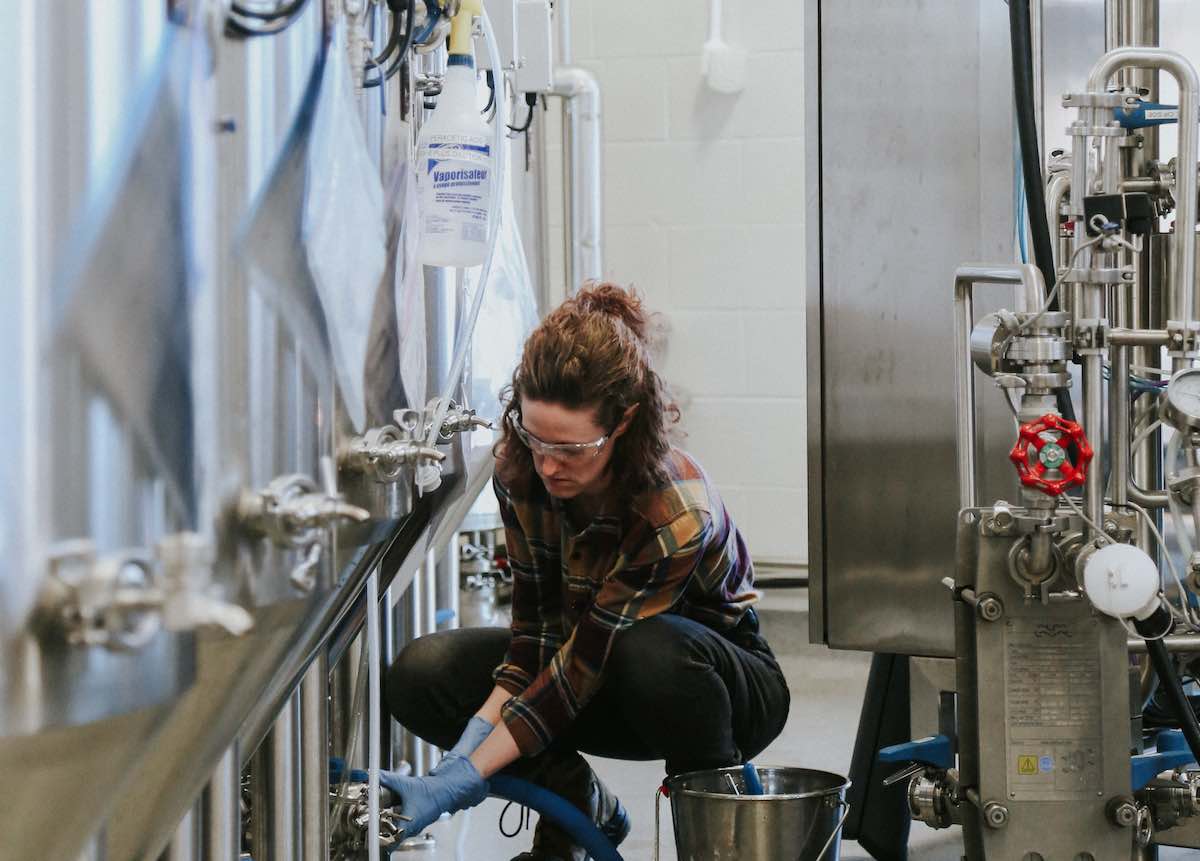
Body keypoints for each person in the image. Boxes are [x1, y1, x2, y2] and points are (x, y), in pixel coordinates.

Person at [381, 282, 791, 860]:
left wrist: (470, 771)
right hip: (593, 667)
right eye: (534, 437)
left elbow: (584, 662)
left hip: (711, 688)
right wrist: (462, 757)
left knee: (649, 651)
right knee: (422, 674)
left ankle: (712, 844)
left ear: (623, 424)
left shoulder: (674, 506)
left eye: (571, 450)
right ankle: (577, 811)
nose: (549, 465)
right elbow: (536, 642)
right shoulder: (522, 472)